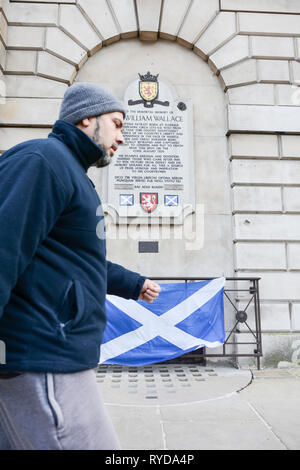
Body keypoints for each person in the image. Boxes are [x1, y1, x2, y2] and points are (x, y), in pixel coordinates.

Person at [0, 82, 161, 450]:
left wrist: (133, 284)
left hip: (47, 352)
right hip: (42, 355)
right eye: (118, 124)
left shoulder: (71, 172)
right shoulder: (42, 160)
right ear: (88, 118)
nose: (122, 138)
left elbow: (78, 261)